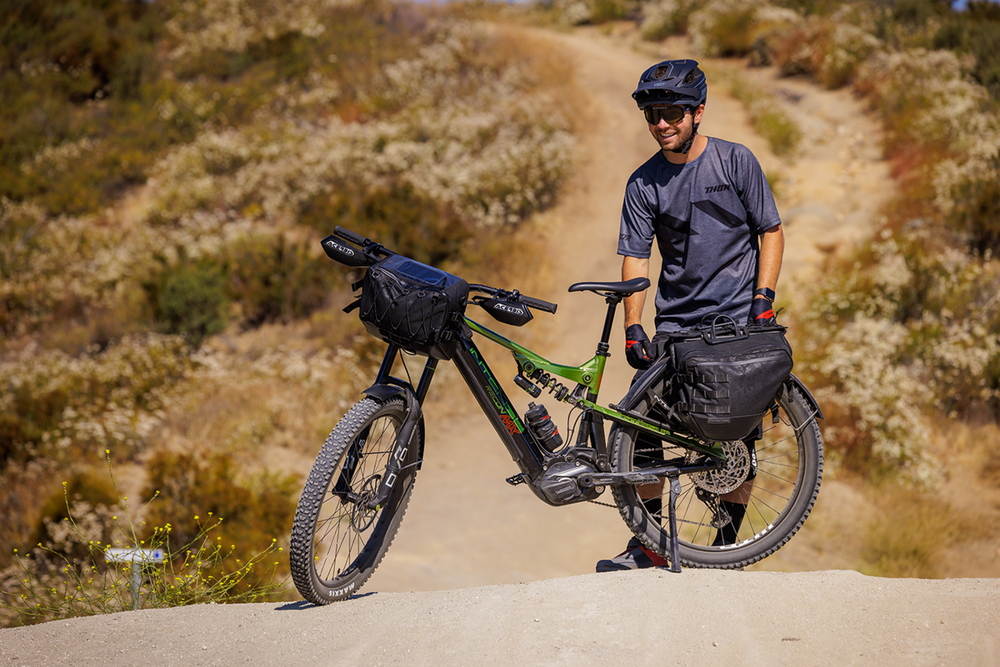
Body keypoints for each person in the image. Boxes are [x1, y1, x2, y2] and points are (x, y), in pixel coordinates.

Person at [596, 59, 785, 572]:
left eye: (673, 113)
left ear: (697, 112)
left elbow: (770, 230)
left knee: (737, 438)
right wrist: (634, 326)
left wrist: (764, 299)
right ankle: (651, 544)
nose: (662, 124)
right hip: (676, 328)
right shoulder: (644, 183)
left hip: (737, 324)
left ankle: (725, 547)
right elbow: (636, 258)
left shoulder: (736, 161)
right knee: (642, 428)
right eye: (653, 115)